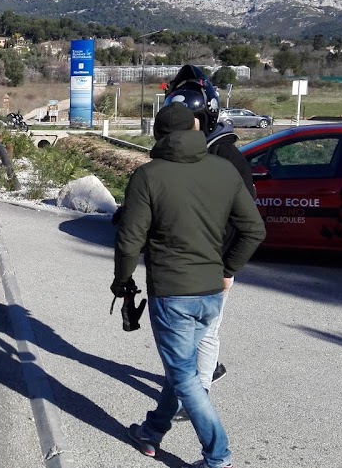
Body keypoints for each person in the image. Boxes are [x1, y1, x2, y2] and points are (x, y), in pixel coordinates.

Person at [115, 103, 265, 468]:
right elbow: (254, 230)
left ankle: (218, 457)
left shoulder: (148, 176)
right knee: (178, 368)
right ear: (196, 128)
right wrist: (229, 269)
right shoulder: (225, 170)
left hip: (172, 292)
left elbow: (129, 241)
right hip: (212, 290)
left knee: (184, 376)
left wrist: (122, 281)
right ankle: (152, 431)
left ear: (158, 135)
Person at [164, 65, 256, 415]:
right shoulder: (194, 153)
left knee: (203, 332)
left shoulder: (227, 158)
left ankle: (197, 396)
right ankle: (202, 375)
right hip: (187, 261)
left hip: (212, 264)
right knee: (192, 333)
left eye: (189, 123)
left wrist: (228, 267)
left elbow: (248, 224)